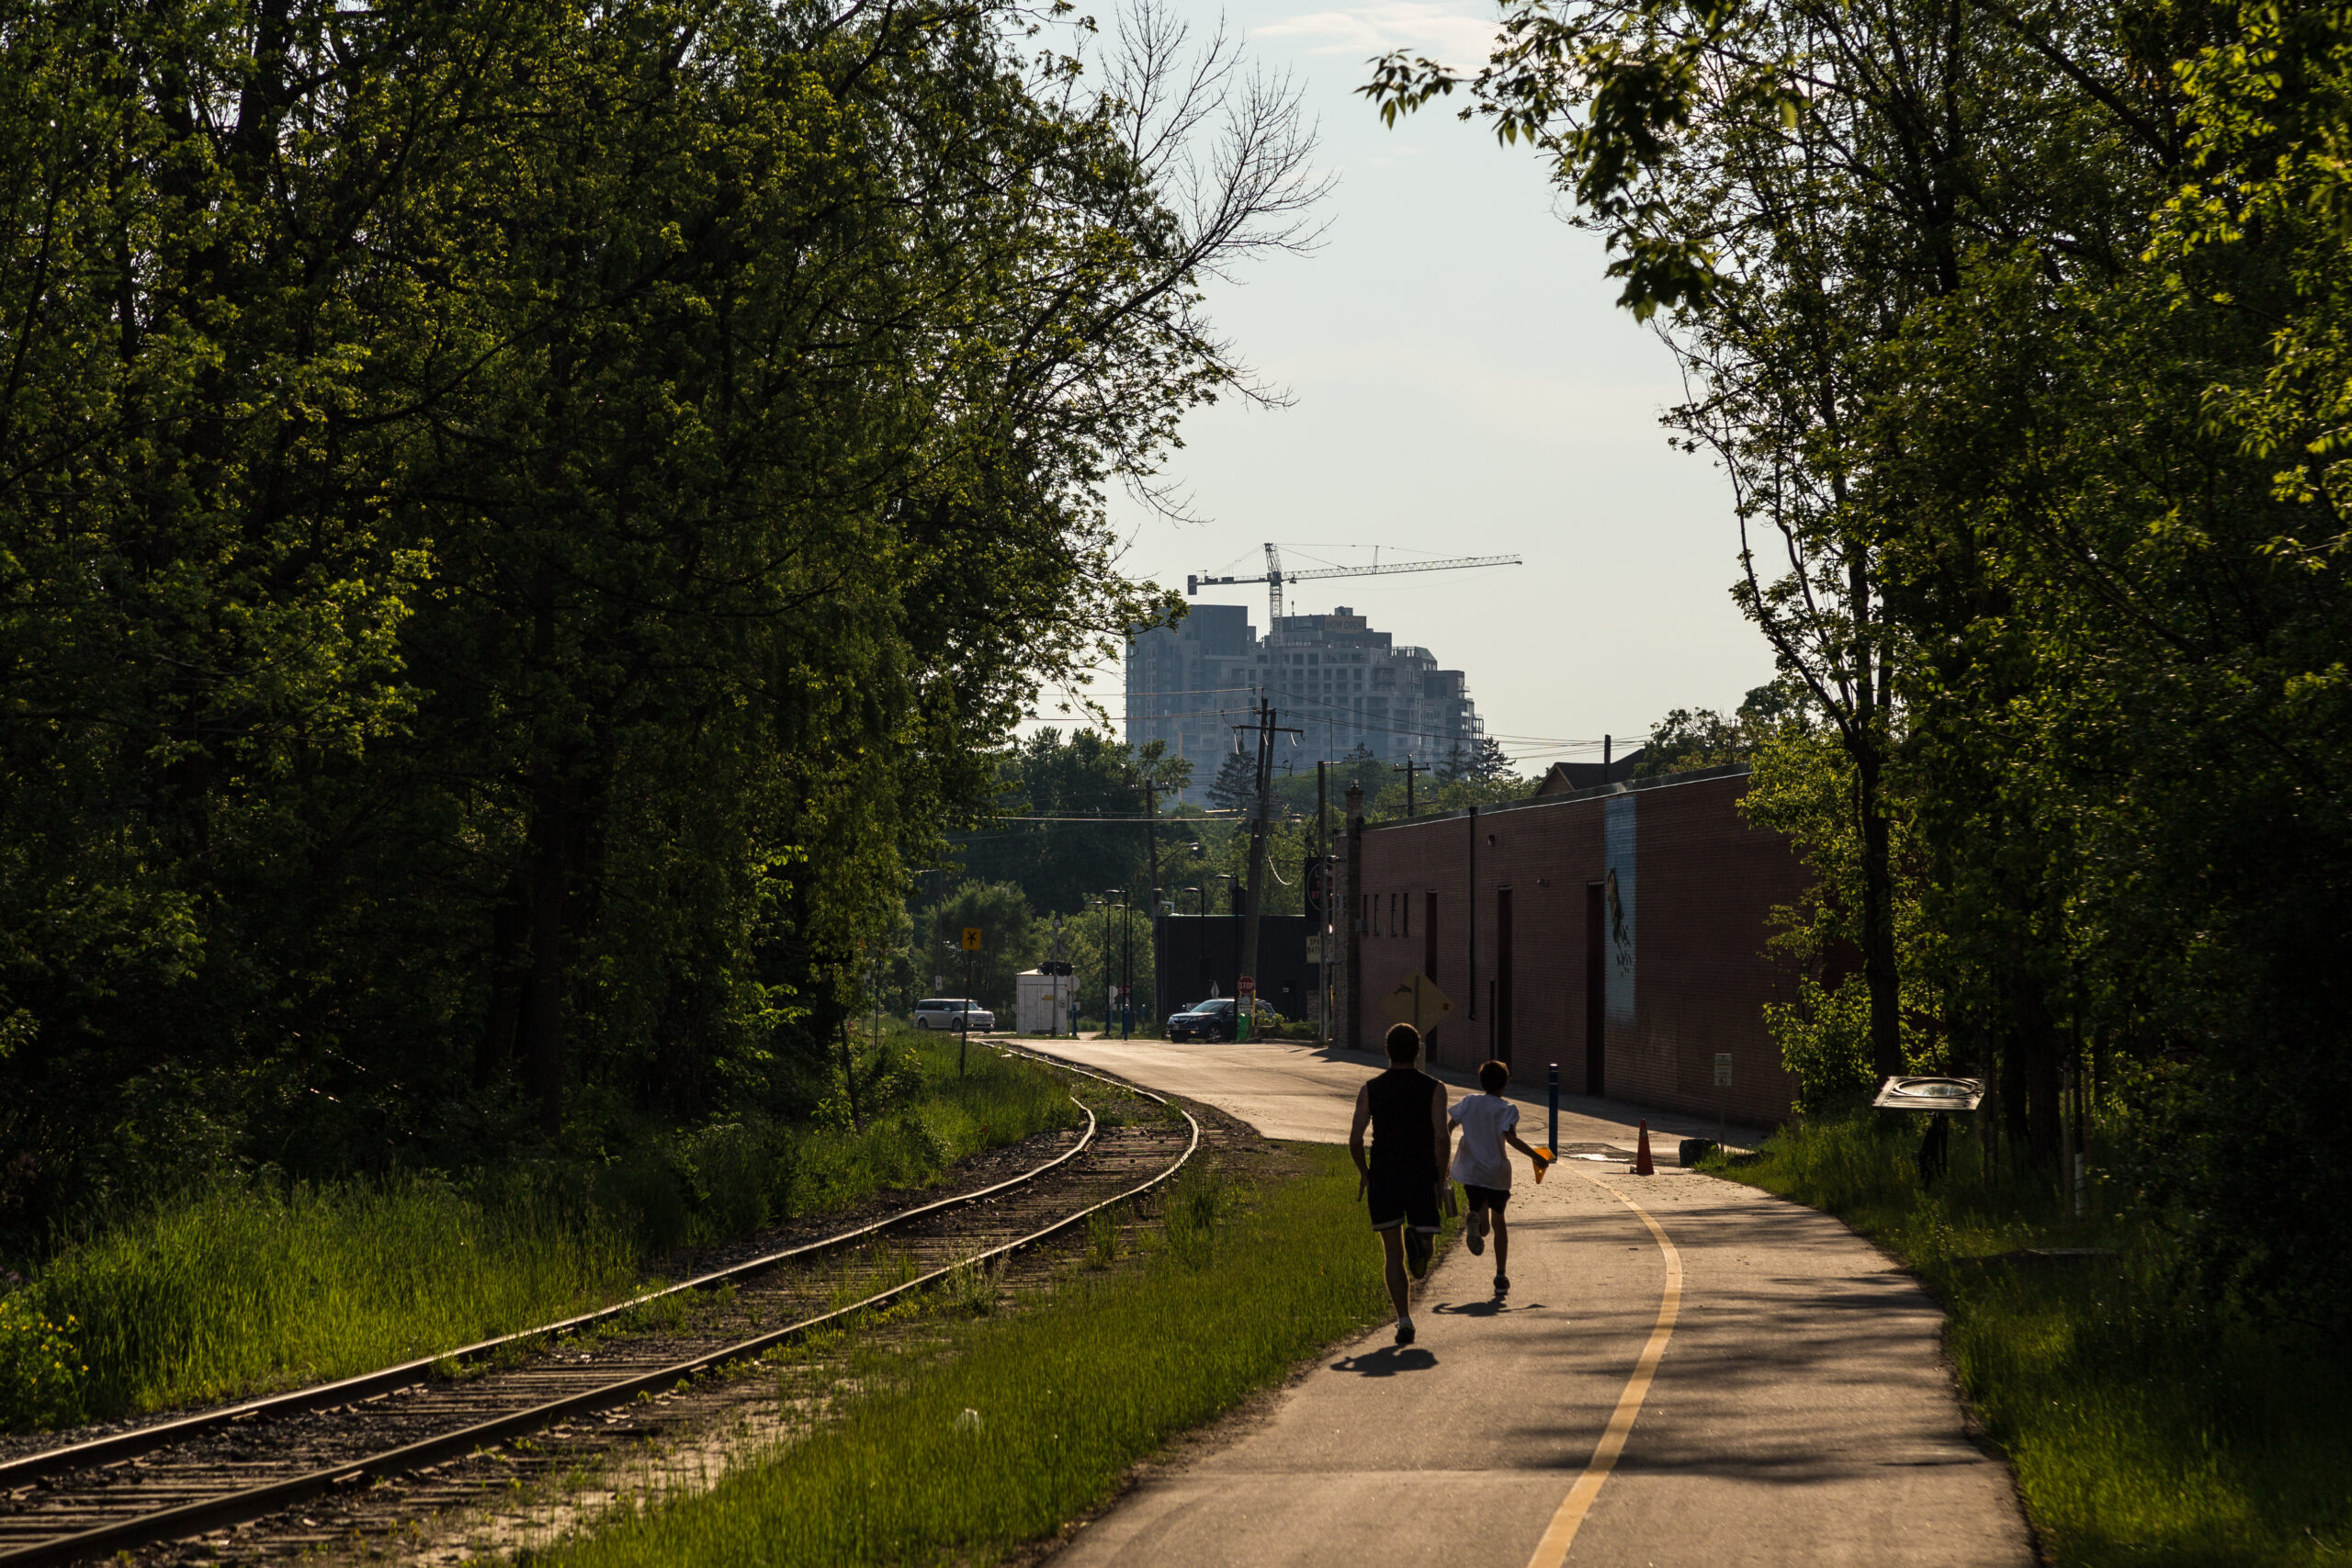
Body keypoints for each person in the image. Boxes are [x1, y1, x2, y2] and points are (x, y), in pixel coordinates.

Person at [1349, 1022, 1451, 1345]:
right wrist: (1442, 1176)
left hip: (1384, 1176)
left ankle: (1403, 1320)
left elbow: (1355, 1138)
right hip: (1420, 1175)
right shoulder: (1435, 1088)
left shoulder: (1370, 1089)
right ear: (1418, 1051)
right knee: (1425, 1251)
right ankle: (1419, 1242)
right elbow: (1441, 1135)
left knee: (1392, 1255)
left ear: (1387, 1050)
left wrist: (1365, 1173)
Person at [1447, 1058, 1551, 1298]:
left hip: (1472, 1172)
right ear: (1504, 1085)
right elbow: (1511, 1139)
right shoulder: (1507, 1109)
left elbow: (1450, 1125)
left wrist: (1444, 1149)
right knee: (1499, 1222)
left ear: (1482, 1082)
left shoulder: (1469, 1102)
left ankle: (1475, 1221)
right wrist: (1536, 1156)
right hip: (1497, 1173)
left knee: (1482, 1225)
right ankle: (1501, 1275)